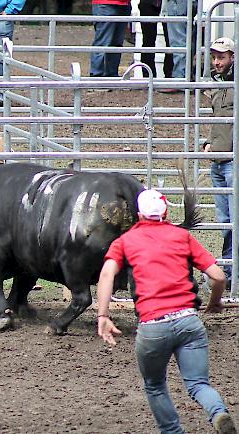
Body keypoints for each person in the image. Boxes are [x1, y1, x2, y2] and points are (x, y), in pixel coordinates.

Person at [96, 189, 237, 434]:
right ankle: (218, 412)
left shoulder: (126, 241)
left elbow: (107, 273)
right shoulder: (181, 236)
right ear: (166, 212)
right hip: (188, 322)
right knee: (198, 384)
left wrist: (103, 315)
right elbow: (218, 276)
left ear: (139, 215)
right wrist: (215, 302)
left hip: (153, 326)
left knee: (154, 385)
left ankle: (172, 432)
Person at [204, 37, 235, 287]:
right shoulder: (218, 84)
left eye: (222, 57)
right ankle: (228, 267)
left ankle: (231, 269)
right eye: (215, 57)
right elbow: (219, 120)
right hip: (219, 159)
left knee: (233, 219)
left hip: (232, 160)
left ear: (232, 57)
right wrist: (208, 142)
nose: (217, 62)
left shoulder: (234, 84)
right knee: (225, 220)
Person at [89, 0, 132, 79]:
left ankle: (111, 76)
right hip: (105, 4)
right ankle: (96, 77)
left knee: (116, 43)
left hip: (124, 5)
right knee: (102, 42)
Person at [138, 0, 173, 78]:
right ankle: (148, 76)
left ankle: (169, 76)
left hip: (169, 4)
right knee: (148, 41)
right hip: (148, 4)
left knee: (170, 41)